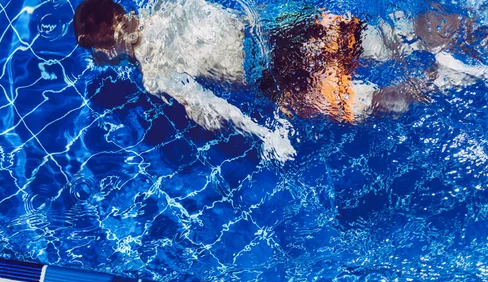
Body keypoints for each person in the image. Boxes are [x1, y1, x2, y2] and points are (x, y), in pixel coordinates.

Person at [73, 0, 487, 160]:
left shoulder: (155, 72)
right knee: (386, 37)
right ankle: (471, 23)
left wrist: (263, 133)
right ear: (121, 13)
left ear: (108, 45)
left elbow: (216, 111)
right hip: (279, 24)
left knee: (371, 104)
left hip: (272, 73)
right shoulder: (166, 4)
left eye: (97, 51)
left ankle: (445, 79)